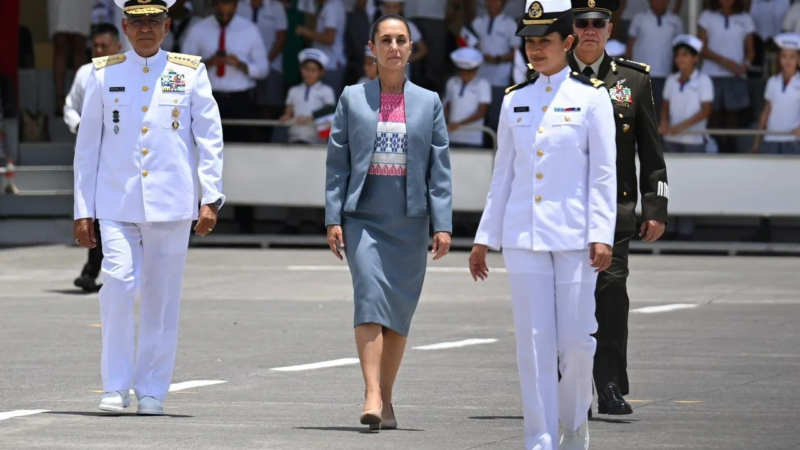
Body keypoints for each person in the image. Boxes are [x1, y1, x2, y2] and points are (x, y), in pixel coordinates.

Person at [469, 0, 617, 447]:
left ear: (568, 42)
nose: (535, 50)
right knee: (532, 346)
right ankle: (540, 438)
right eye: (530, 43)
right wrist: (483, 238)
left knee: (576, 342)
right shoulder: (515, 99)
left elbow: (604, 173)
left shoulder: (592, 99)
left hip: (574, 236)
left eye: (544, 42)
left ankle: (573, 424)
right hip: (523, 235)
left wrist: (601, 233)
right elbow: (504, 174)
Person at [73, 0, 225, 415]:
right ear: (124, 25)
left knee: (161, 298)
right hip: (116, 201)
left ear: (167, 25)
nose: (145, 29)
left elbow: (209, 136)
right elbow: (87, 147)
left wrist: (210, 197)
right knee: (118, 284)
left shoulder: (189, 70)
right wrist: (82, 209)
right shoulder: (103, 73)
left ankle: (153, 389)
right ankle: (116, 385)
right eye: (137, 21)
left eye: (153, 21)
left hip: (172, 203)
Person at [324, 13, 452, 431]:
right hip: (362, 217)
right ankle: (371, 392)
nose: (393, 47)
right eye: (385, 40)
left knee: (398, 312)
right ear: (372, 49)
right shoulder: (351, 97)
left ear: (411, 49)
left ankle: (388, 396)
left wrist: (442, 223)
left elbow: (440, 169)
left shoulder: (429, 102)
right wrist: (333, 216)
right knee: (369, 301)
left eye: (401, 40)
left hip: (409, 220)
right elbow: (337, 164)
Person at [568, 0, 669, 416]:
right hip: (565, 211)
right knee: (568, 299)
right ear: (571, 30)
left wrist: (656, 206)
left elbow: (652, 149)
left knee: (610, 294)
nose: (591, 30)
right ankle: (570, 388)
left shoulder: (632, 79)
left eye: (599, 23)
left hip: (615, 211)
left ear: (610, 30)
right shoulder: (550, 77)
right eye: (583, 23)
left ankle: (609, 384)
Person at [64, 22, 122, 292]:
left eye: (104, 46)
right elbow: (70, 106)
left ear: (117, 46)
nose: (99, 50)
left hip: (119, 155)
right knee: (94, 213)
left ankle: (114, 272)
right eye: (95, 46)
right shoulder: (85, 73)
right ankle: (91, 271)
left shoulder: (128, 72)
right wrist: (80, 126)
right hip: (92, 154)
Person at [697, 0, 755, 153]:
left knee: (732, 115)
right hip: (711, 74)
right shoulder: (707, 16)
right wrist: (725, 62)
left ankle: (730, 150)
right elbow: (701, 47)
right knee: (712, 114)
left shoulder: (745, 18)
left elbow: (751, 50)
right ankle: (713, 148)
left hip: (735, 76)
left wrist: (745, 66)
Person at [751, 32, 800, 155]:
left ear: (798, 59)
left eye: (792, 57)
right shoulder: (772, 82)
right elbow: (766, 112)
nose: (787, 61)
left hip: (793, 140)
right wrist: (758, 141)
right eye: (784, 56)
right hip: (771, 139)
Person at [280, 49, 337, 144]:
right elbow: (288, 113)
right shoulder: (293, 91)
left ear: (321, 72)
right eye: (306, 69)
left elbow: (330, 114)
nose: (309, 73)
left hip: (317, 141)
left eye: (313, 70)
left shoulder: (327, 91)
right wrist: (285, 117)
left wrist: (308, 118)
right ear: (301, 69)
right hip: (294, 138)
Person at [444, 47, 492, 148]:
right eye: (464, 71)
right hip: (451, 136)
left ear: (477, 69)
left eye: (471, 71)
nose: (467, 74)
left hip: (473, 138)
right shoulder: (451, 83)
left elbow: (482, 112)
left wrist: (459, 124)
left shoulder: (483, 84)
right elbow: (447, 106)